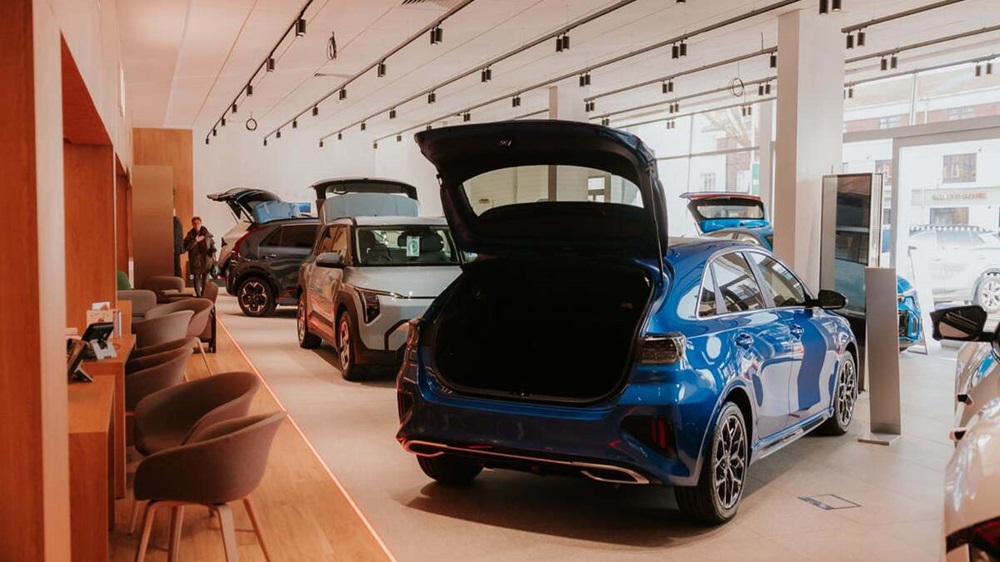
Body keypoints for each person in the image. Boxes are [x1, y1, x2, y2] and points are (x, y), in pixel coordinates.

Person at [183, 216, 215, 297]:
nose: (196, 225)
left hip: (206, 259)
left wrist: (214, 256)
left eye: (198, 223)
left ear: (201, 223)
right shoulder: (190, 235)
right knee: (196, 278)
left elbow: (212, 246)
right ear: (192, 224)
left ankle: (204, 295)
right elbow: (186, 247)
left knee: (205, 279)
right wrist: (195, 241)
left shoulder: (206, 234)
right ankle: (198, 295)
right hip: (196, 260)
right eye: (194, 224)